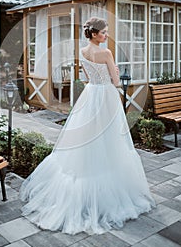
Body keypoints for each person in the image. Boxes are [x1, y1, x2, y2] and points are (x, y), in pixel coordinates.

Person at [20, 16, 155, 235]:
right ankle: (106, 190)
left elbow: (86, 76)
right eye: (103, 33)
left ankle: (82, 191)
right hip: (106, 97)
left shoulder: (83, 52)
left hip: (90, 95)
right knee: (110, 140)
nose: (106, 35)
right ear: (94, 33)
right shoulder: (106, 53)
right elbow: (116, 81)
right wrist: (116, 70)